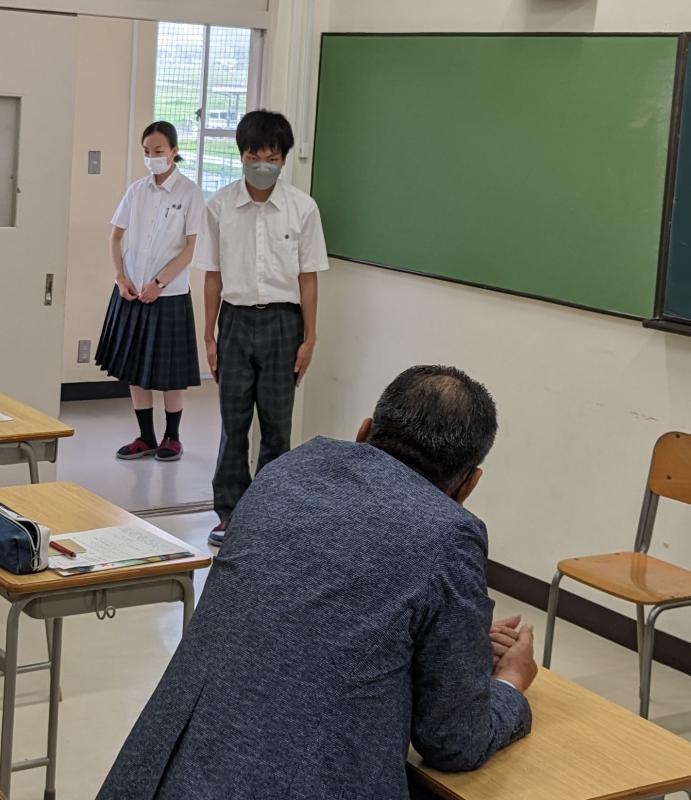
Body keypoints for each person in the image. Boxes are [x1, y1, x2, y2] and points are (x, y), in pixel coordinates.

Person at [97, 365, 537, 800]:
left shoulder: (286, 471)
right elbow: (453, 740)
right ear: (468, 485)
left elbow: (309, 625)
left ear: (363, 433)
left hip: (159, 771)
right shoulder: (449, 534)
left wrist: (460, 648)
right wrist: (509, 682)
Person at [191, 110, 329, 545]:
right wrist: (208, 336)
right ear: (241, 156)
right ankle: (230, 513)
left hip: (284, 324)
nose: (262, 165)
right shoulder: (219, 207)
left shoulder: (303, 208)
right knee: (233, 424)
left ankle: (270, 515)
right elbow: (212, 276)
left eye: (271, 157)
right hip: (234, 321)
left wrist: (309, 338)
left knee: (276, 426)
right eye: (254, 156)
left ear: (284, 159)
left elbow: (309, 278)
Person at [95, 121, 204, 462]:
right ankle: (146, 437)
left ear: (174, 151)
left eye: (158, 151)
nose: (152, 157)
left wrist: (159, 284)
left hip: (168, 294)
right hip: (131, 291)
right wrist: (119, 277)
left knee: (170, 374)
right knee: (134, 368)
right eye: (146, 151)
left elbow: (190, 249)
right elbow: (116, 236)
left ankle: (173, 437)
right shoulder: (137, 190)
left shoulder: (189, 192)